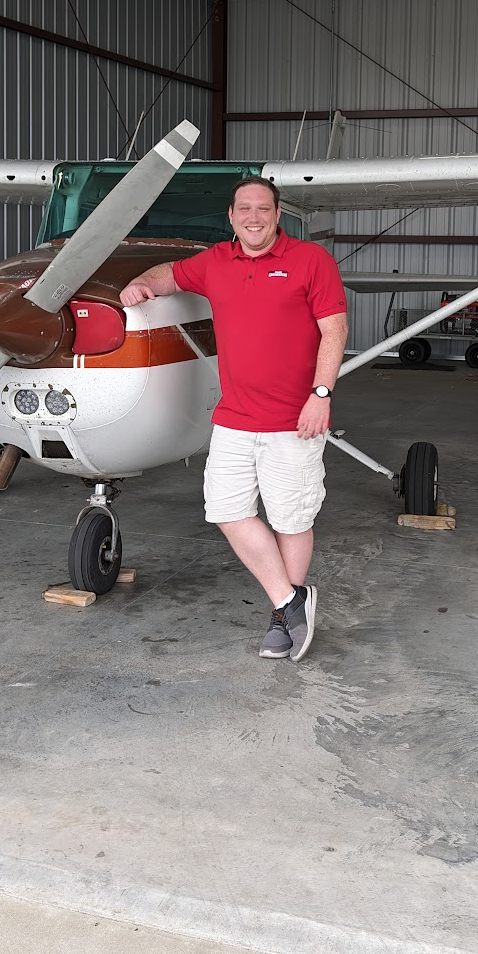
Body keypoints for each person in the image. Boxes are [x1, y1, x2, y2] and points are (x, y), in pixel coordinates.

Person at [120, 176, 347, 661]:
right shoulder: (215, 261)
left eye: (263, 208)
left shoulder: (311, 260)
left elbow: (334, 330)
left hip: (295, 419)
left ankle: (282, 618)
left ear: (277, 215)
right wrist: (141, 285)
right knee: (225, 510)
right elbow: (169, 274)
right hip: (234, 418)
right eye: (245, 208)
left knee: (290, 518)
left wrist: (321, 394)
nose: (254, 217)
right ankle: (290, 601)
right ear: (231, 216)